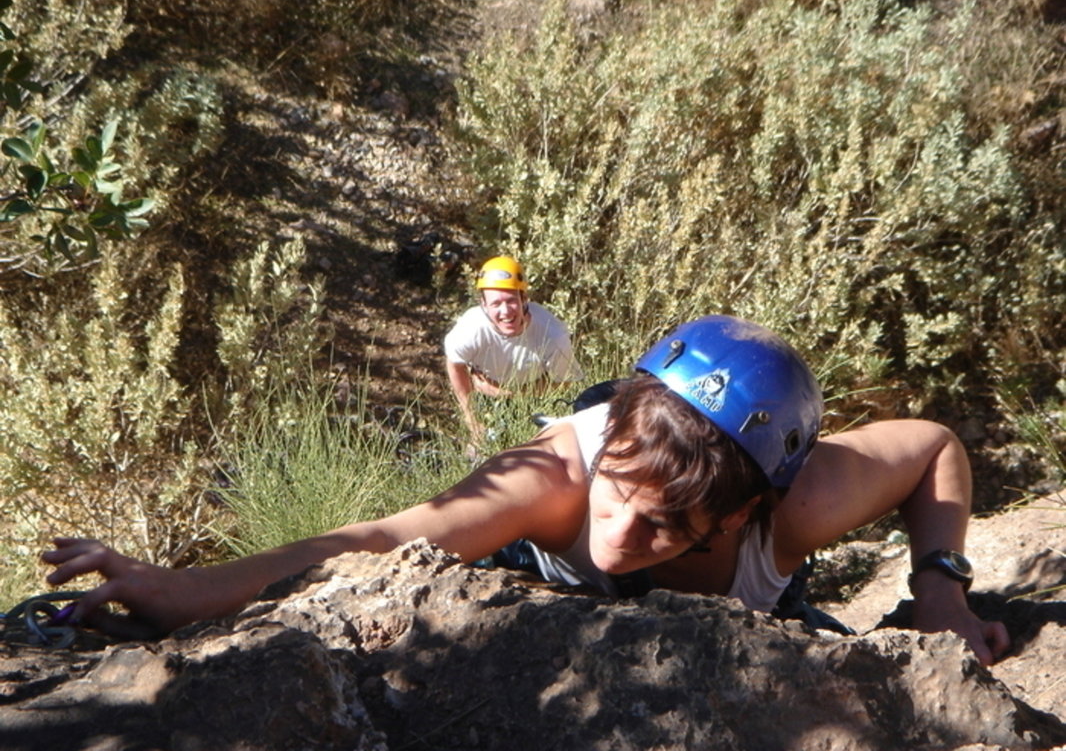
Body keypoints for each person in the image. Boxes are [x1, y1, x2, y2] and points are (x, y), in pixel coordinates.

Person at [41, 315, 1010, 665]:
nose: (622, 533)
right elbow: (376, 537)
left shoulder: (791, 503)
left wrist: (939, 592)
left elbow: (932, 446)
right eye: (620, 491)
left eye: (670, 525)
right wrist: (174, 588)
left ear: (744, 510)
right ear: (610, 437)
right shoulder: (556, 477)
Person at [443, 255, 583, 441]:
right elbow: (454, 363)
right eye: (495, 304)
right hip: (484, 400)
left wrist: (509, 393)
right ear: (483, 305)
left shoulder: (552, 334)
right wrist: (471, 419)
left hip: (537, 399)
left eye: (511, 301)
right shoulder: (471, 328)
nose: (505, 311)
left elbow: (565, 381)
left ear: (524, 298)